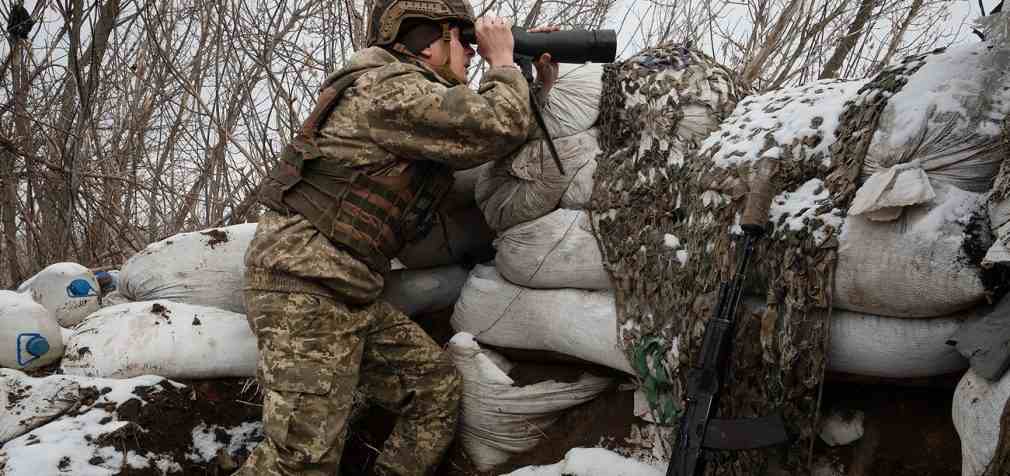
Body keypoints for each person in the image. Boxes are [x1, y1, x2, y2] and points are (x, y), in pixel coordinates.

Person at [234, 0, 558, 474]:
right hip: (305, 288)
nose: (471, 55)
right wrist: (503, 62)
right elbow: (493, 125)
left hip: (346, 292)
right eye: (462, 42)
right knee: (298, 463)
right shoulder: (385, 87)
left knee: (434, 392)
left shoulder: (410, 102)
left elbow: (490, 132)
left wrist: (532, 86)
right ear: (429, 41)